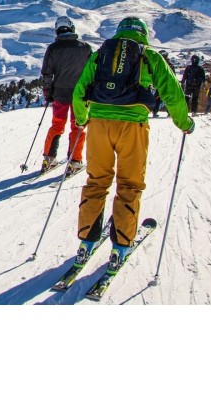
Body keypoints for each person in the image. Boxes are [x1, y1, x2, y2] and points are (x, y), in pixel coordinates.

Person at [72, 16, 194, 271]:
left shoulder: (101, 53)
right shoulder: (149, 55)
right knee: (129, 184)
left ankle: (86, 241)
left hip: (98, 125)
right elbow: (172, 92)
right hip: (133, 127)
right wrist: (184, 123)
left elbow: (80, 89)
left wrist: (83, 119)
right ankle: (121, 246)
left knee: (96, 181)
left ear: (119, 33)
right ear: (143, 34)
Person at [39, 16, 92, 173]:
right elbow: (92, 73)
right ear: (72, 28)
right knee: (78, 126)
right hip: (80, 95)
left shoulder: (53, 49)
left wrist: (48, 93)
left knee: (57, 125)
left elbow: (47, 74)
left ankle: (49, 159)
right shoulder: (85, 48)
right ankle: (74, 161)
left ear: (57, 30)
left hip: (59, 94)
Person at [151, 49, 176, 117]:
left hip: (160, 83)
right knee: (168, 98)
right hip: (168, 84)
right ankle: (169, 113)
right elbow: (174, 75)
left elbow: (153, 74)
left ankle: (155, 112)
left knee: (157, 98)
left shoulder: (158, 64)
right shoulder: (170, 64)